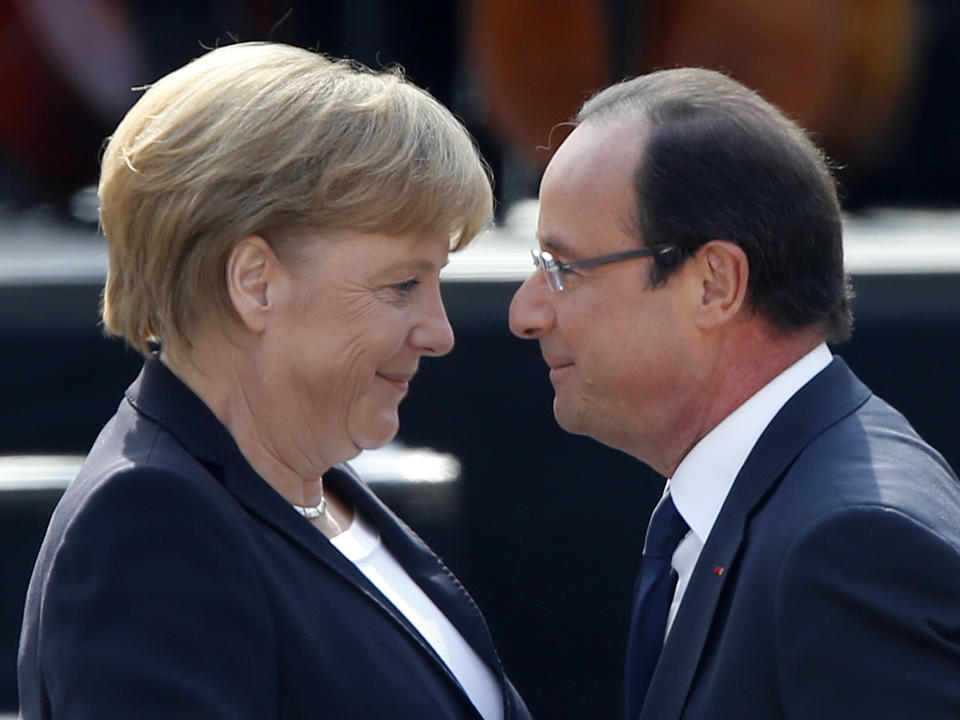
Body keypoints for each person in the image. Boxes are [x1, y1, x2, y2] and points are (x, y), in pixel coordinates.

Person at [18, 41, 531, 720]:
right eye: (403, 284)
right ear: (256, 282)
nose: (439, 333)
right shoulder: (152, 524)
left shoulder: (308, 492)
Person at [508, 67, 960, 719]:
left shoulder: (850, 543)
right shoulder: (785, 505)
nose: (525, 313)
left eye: (562, 268)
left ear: (715, 284)